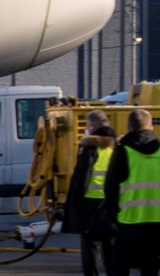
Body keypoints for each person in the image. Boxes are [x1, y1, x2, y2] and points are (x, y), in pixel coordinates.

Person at [103, 109, 160, 276]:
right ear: (152, 128)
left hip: (129, 221)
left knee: (120, 267)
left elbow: (110, 188)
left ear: (128, 128)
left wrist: (114, 216)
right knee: (150, 268)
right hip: (157, 221)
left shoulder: (123, 152)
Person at [64, 110, 116, 276]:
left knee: (90, 250)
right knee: (111, 250)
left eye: (87, 126)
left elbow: (82, 177)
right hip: (111, 204)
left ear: (92, 126)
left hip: (91, 203)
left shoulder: (90, 147)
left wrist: (74, 203)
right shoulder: (117, 147)